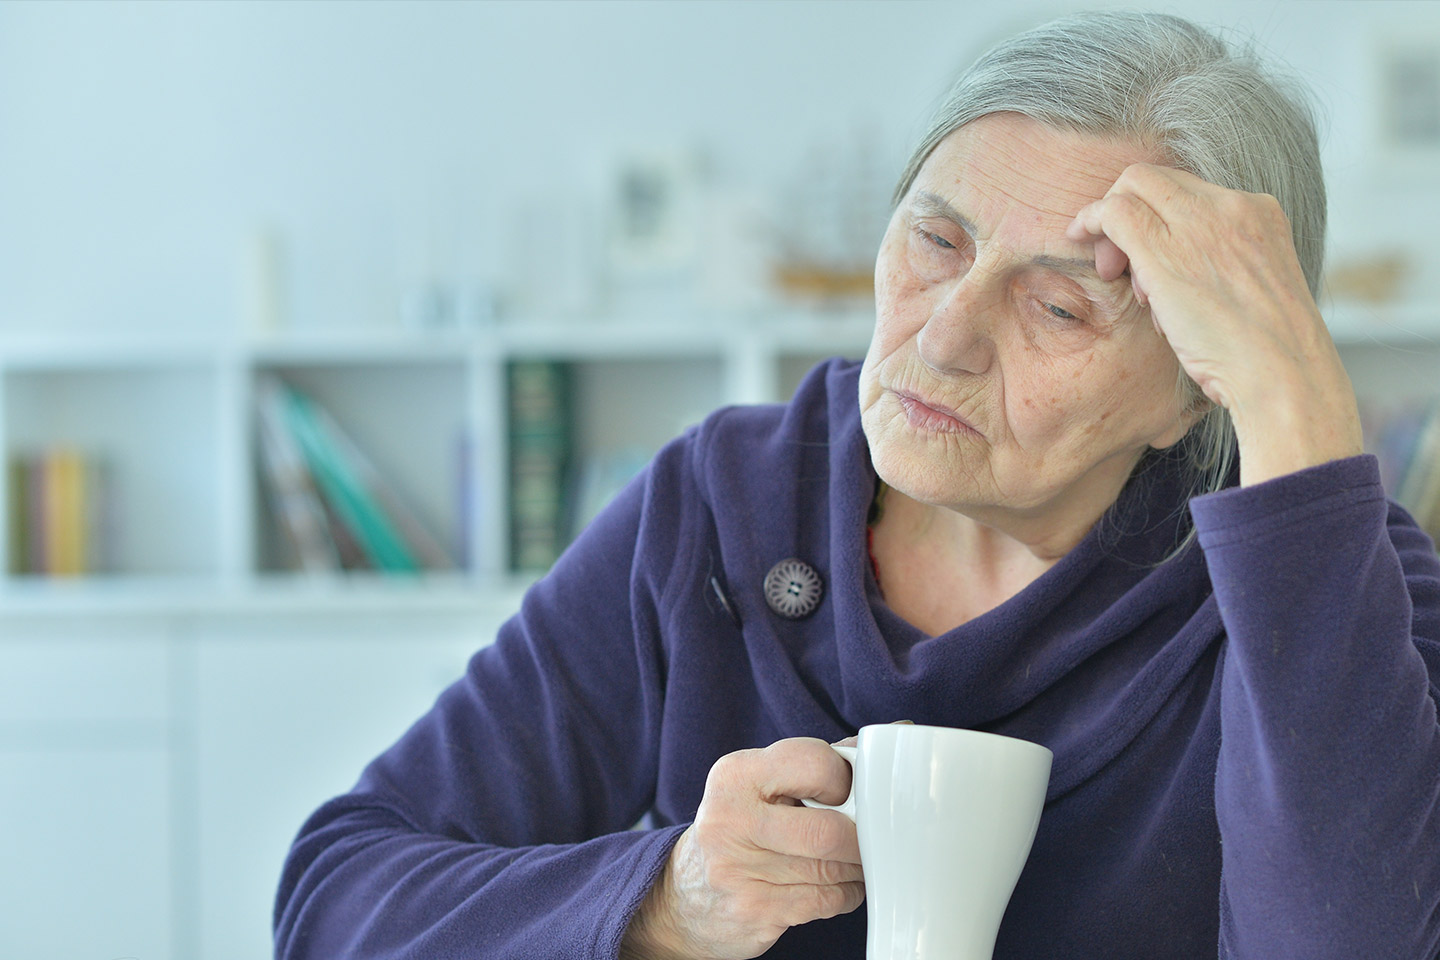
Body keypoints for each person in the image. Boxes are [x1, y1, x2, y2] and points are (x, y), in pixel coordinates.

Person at [273, 11, 1440, 960]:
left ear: (1197, 388)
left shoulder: (1338, 577)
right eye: (935, 242)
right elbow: (339, 901)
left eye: (1061, 305)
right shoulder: (726, 504)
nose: (942, 341)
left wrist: (1295, 411)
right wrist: (661, 902)